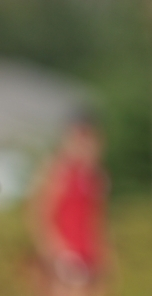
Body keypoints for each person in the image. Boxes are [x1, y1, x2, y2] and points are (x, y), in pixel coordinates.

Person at [29, 114, 109, 296]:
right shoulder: (59, 172)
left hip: (89, 253)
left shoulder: (93, 176)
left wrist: (104, 254)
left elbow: (97, 221)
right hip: (66, 253)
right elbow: (41, 215)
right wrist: (56, 251)